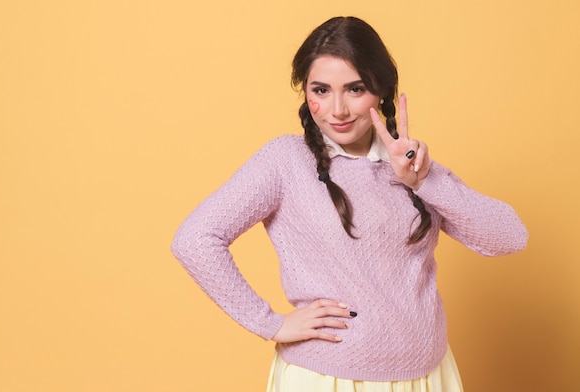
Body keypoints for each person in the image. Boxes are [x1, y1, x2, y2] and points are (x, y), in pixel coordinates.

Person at [171, 16, 527, 392]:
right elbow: (194, 239)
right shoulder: (286, 161)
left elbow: (509, 237)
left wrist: (424, 181)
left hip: (427, 374)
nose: (337, 109)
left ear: (382, 92)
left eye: (355, 89)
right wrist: (270, 323)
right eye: (321, 90)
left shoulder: (410, 166)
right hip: (328, 379)